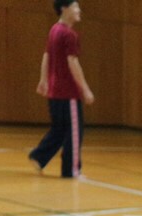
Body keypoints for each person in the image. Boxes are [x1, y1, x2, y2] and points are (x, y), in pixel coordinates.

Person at [27, 0, 93, 179]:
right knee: (74, 131)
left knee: (59, 129)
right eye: (75, 6)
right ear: (64, 9)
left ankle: (39, 156)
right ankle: (71, 170)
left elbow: (47, 55)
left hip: (54, 91)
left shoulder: (54, 30)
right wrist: (85, 88)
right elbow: (73, 62)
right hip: (68, 93)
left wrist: (44, 80)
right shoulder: (69, 34)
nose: (79, 10)